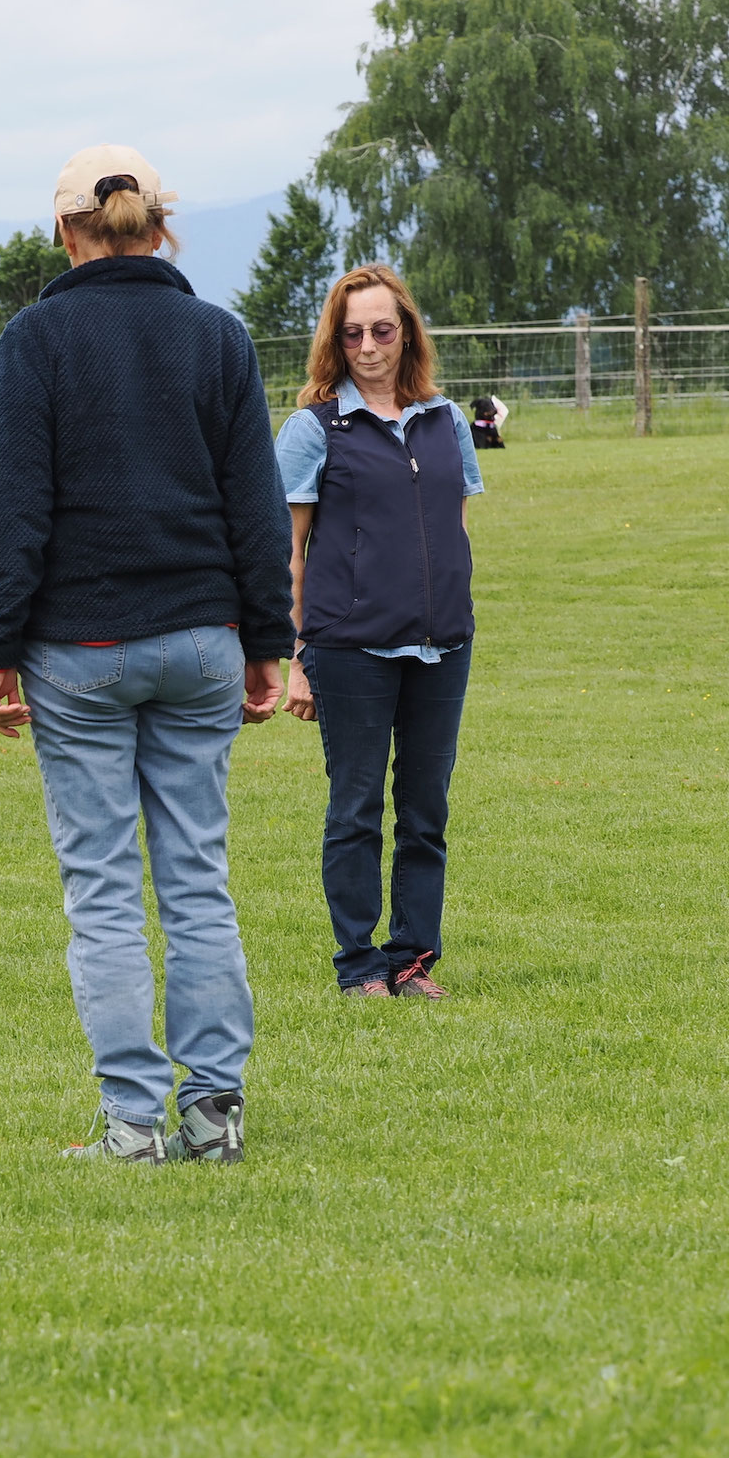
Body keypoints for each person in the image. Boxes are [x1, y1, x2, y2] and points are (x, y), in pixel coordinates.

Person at [0, 145, 293, 1166]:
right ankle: (214, 1116)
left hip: (80, 646)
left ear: (64, 230)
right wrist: (268, 641)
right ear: (160, 225)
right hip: (202, 638)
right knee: (197, 879)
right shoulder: (217, 336)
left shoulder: (36, 340)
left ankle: (133, 1125)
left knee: (104, 890)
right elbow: (256, 506)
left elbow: (12, 509)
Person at [276, 263, 483, 1000]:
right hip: (348, 649)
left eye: (382, 331)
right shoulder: (313, 428)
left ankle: (412, 959)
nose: (368, 346)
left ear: (407, 334)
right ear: (334, 342)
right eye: (352, 333)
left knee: (426, 812)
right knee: (356, 808)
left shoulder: (447, 421)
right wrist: (296, 658)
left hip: (441, 645)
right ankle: (360, 964)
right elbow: (287, 555)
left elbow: (454, 531)